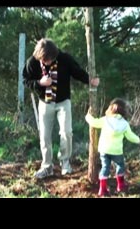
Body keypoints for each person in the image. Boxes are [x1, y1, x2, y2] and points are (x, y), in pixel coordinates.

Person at [23, 38, 99, 179]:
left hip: (63, 102)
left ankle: (65, 163)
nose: (48, 62)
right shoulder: (32, 62)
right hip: (45, 103)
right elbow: (26, 80)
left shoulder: (64, 59)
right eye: (45, 60)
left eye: (50, 60)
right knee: (44, 136)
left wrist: (90, 80)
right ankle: (47, 166)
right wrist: (40, 82)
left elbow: (77, 72)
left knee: (66, 132)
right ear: (39, 56)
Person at [85, 98, 140, 196]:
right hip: (117, 151)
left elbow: (94, 122)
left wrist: (88, 116)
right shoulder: (124, 124)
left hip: (104, 150)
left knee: (105, 167)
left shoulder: (106, 120)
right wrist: (138, 140)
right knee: (120, 166)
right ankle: (120, 185)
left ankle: (102, 189)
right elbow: (130, 136)